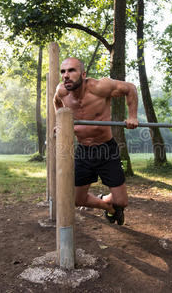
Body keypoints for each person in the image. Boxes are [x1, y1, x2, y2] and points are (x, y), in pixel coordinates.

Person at [53, 57, 138, 225]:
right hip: (83, 150)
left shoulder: (100, 87)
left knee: (122, 202)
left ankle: (111, 203)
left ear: (83, 74)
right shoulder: (62, 91)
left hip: (107, 149)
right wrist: (60, 122)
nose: (66, 75)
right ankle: (108, 208)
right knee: (78, 200)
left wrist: (132, 116)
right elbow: (56, 102)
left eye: (71, 71)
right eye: (63, 71)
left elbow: (130, 88)